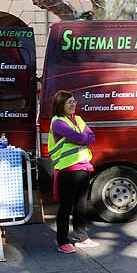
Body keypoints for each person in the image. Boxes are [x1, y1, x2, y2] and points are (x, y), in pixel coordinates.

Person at [47, 91, 97, 254]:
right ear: (60, 104)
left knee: (81, 206)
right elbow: (79, 137)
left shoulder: (79, 119)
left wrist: (80, 137)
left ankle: (82, 237)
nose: (73, 104)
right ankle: (62, 242)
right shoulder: (58, 122)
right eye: (69, 102)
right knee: (66, 207)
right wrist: (80, 136)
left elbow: (91, 138)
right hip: (67, 170)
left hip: (83, 168)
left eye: (74, 101)